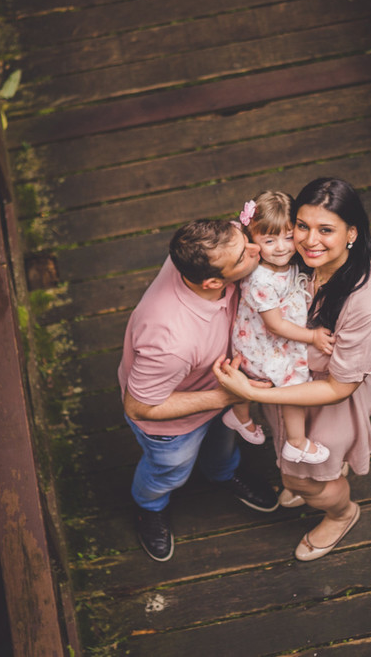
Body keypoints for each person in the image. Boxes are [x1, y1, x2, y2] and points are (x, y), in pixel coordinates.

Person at [213, 178, 371, 562]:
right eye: (303, 226)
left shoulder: (367, 304)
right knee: (290, 457)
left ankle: (341, 512)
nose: (309, 240)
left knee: (300, 476)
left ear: (351, 233)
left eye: (326, 230)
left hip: (328, 399)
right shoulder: (297, 260)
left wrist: (255, 394)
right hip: (289, 381)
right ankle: (307, 483)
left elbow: (339, 389)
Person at [119, 219, 280, 562]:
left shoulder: (211, 248)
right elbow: (138, 406)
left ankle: (223, 473)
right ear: (212, 282)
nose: (256, 249)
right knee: (169, 471)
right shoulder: (169, 341)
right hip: (172, 424)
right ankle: (150, 506)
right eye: (243, 256)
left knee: (223, 446)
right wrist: (227, 397)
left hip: (219, 386)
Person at [223, 190, 335, 465]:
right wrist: (312, 336)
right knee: (293, 384)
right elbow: (274, 325)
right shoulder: (260, 279)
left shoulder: (287, 264)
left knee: (255, 380)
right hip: (263, 344)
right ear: (252, 239)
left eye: (288, 237)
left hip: (265, 340)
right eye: (269, 240)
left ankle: (239, 416)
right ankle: (296, 443)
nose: (282, 247)